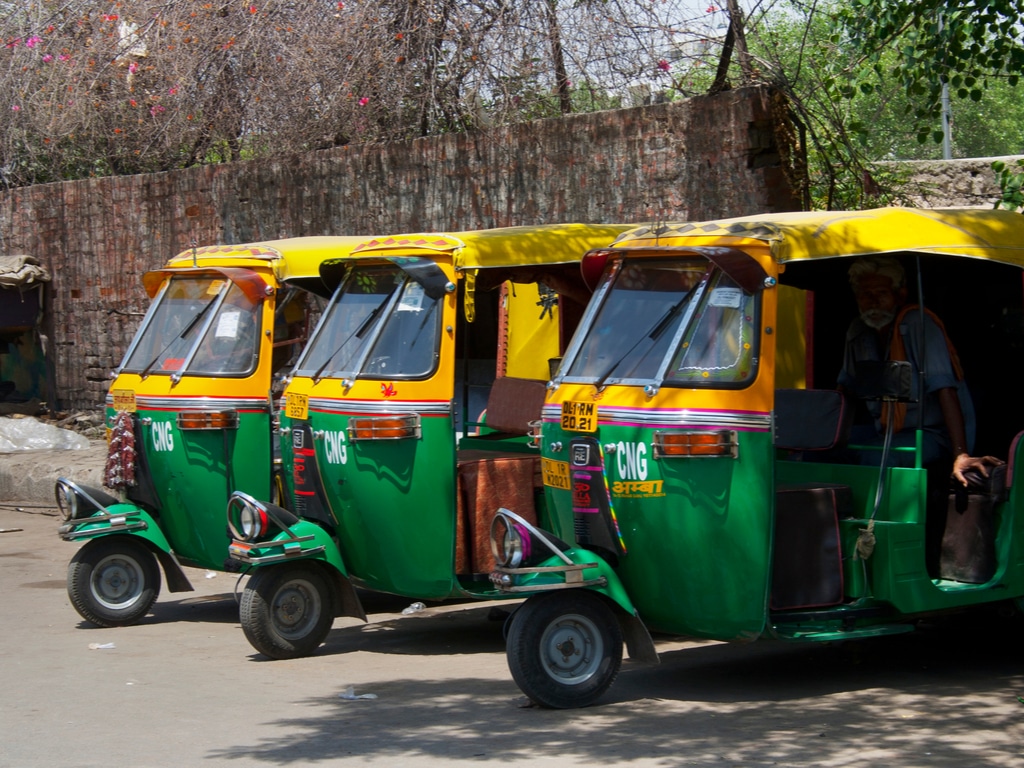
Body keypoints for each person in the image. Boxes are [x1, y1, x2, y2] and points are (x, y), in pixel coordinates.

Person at [837, 256, 1002, 486]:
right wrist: (829, 434)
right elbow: (847, 391)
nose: (873, 302)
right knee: (823, 450)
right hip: (884, 433)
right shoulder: (858, 330)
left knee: (873, 456)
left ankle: (874, 521)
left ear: (900, 295)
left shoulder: (917, 323)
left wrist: (960, 454)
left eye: (881, 293)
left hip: (931, 435)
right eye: (865, 294)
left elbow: (944, 388)